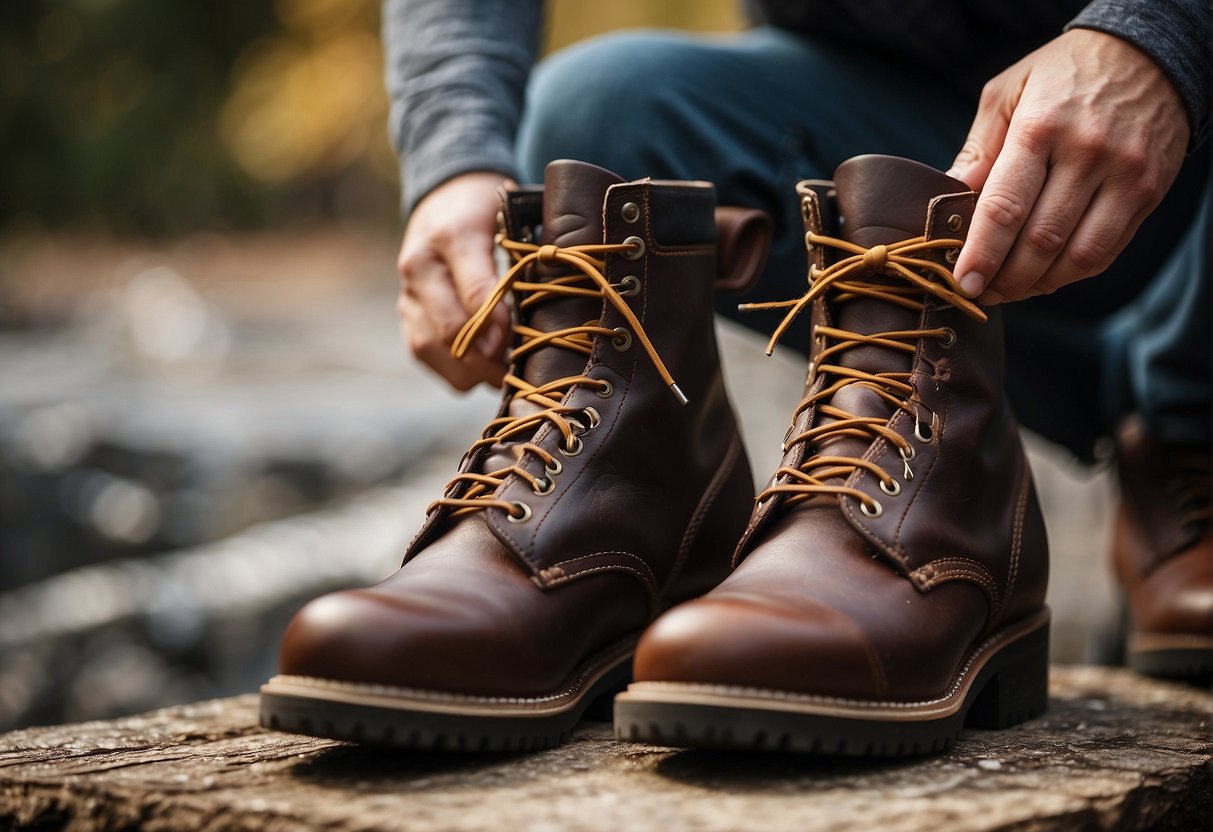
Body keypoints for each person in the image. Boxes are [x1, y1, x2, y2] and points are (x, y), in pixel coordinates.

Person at [258, 1, 1211, 754]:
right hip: (900, 121)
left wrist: (1155, 34)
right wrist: (453, 159)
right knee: (601, 112)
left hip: (1182, 130)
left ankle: (1184, 428)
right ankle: (631, 533)